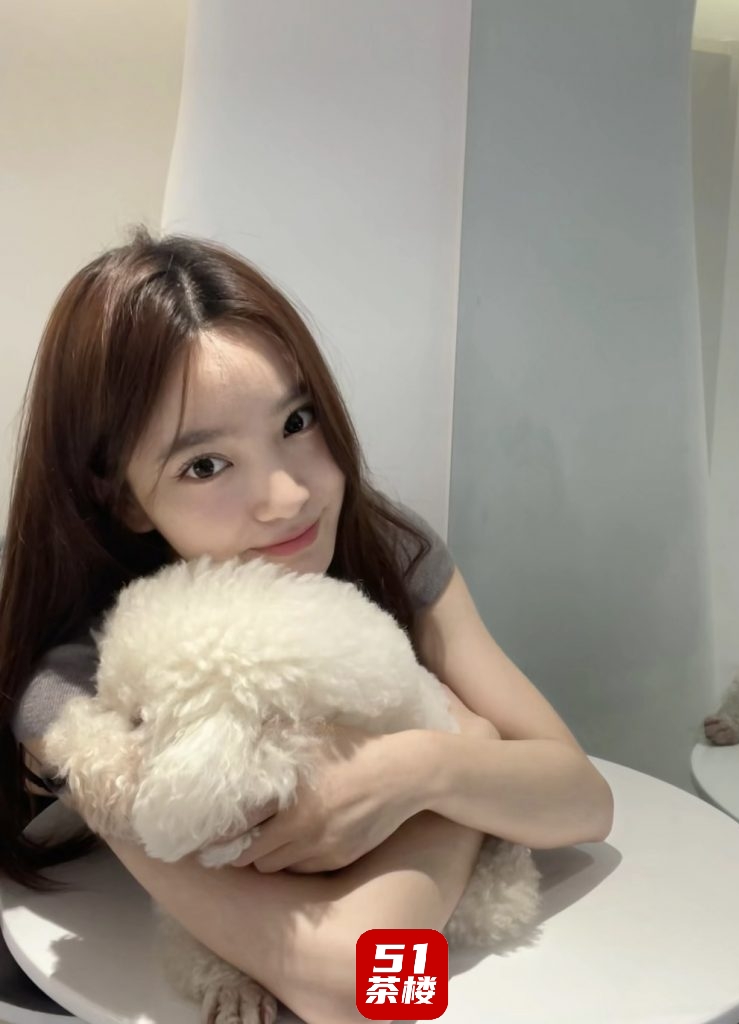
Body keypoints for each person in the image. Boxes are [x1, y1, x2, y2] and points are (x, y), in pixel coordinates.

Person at [0, 227, 613, 1024]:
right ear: (122, 498)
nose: (288, 497)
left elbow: (583, 804)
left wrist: (418, 771)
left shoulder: (384, 547)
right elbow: (360, 983)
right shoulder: (87, 686)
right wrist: (469, 756)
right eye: (205, 465)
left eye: (296, 421)